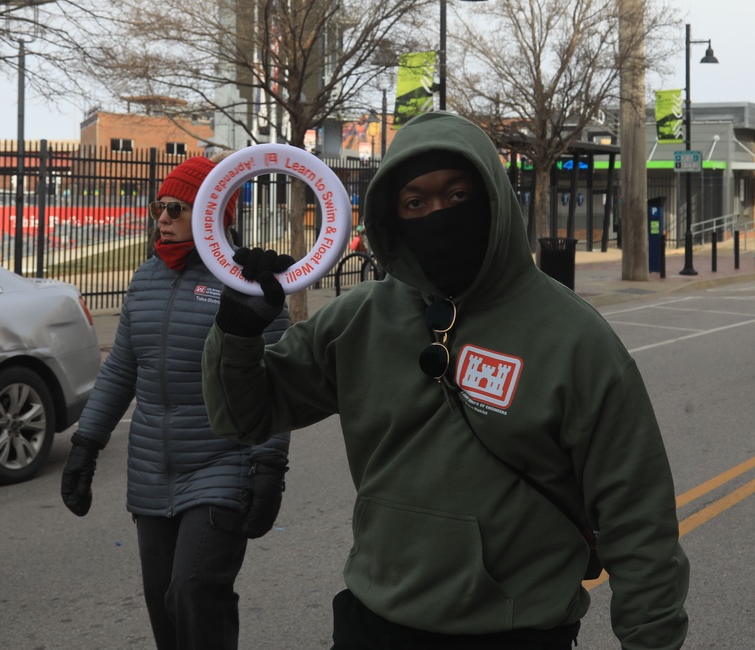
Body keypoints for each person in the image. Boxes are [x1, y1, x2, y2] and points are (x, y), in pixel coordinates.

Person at [202, 112, 689, 649]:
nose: (437, 214)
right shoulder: (358, 320)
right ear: (395, 216)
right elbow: (242, 418)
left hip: (514, 632)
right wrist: (238, 332)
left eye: (458, 196)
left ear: (494, 199)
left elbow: (637, 518)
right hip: (373, 623)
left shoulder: (574, 338)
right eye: (415, 203)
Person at [61, 156, 292, 650]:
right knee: (163, 602)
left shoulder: (252, 286)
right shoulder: (145, 279)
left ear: (215, 214)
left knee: (195, 592)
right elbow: (123, 369)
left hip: (222, 462)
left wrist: (268, 466)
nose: (162, 217)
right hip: (151, 468)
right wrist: (86, 444)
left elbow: (276, 380)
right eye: (158, 207)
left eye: (177, 208)